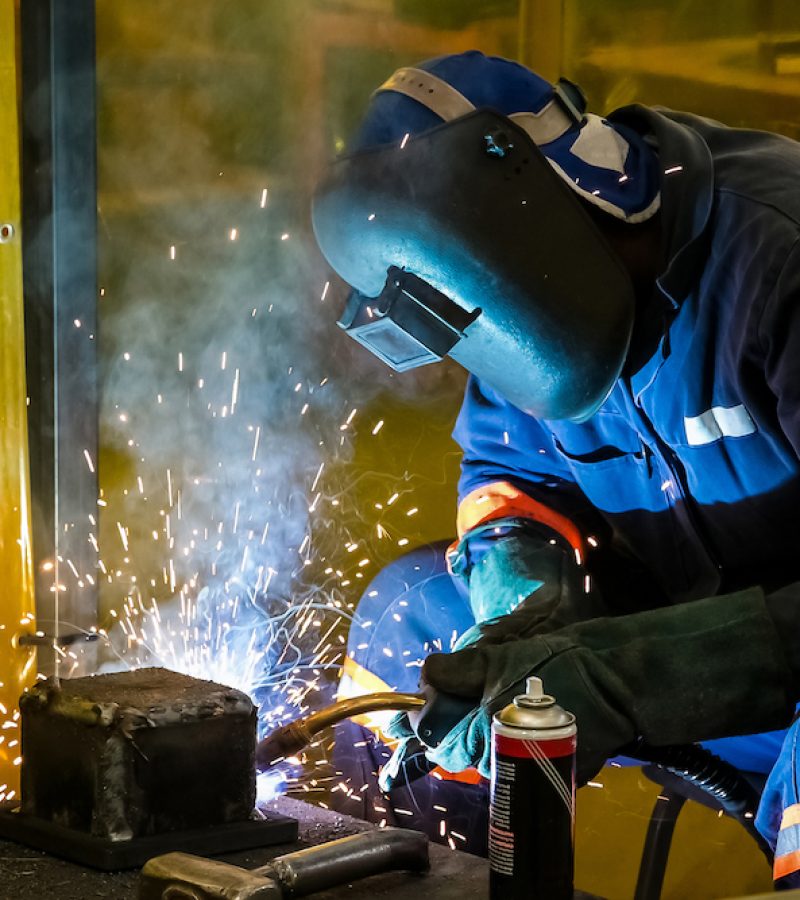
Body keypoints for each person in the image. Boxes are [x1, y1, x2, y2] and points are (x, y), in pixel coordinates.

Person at [312, 50, 800, 884]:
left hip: (779, 686)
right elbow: (508, 471)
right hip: (662, 634)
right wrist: (523, 602)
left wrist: (625, 676)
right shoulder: (535, 292)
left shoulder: (777, 261)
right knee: (410, 624)